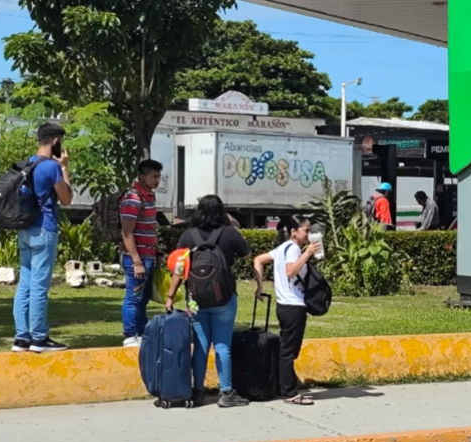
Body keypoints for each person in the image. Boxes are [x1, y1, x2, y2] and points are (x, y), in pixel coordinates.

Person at [165, 195, 251, 408]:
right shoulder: (229, 233)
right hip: (224, 298)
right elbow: (247, 254)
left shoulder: (187, 236)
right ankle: (226, 392)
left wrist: (170, 296)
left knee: (201, 346)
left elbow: (178, 268)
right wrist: (231, 226)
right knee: (222, 345)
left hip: (195, 300)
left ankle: (197, 391)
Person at [12, 122, 73, 354]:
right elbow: (66, 198)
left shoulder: (28, 163)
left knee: (25, 284)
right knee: (39, 286)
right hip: (44, 230)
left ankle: (21, 338)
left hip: (25, 229)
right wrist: (65, 168)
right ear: (56, 141)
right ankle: (39, 337)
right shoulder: (51, 167)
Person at [253, 215, 322, 406]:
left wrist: (260, 287)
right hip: (294, 306)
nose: (308, 235)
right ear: (293, 232)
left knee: (286, 349)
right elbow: (290, 271)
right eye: (306, 231)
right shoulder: (292, 248)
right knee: (288, 352)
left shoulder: (281, 249)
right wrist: (307, 254)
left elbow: (258, 260)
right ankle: (289, 392)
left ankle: (284, 385)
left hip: (283, 305)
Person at [119, 159, 163, 348]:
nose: (157, 180)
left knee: (143, 298)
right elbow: (127, 232)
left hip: (148, 256)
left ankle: (142, 332)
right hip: (136, 258)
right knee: (133, 297)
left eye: (159, 176)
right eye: (154, 176)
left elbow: (150, 228)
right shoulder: (133, 198)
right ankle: (130, 335)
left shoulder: (149, 197)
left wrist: (157, 251)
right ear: (142, 177)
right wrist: (136, 261)